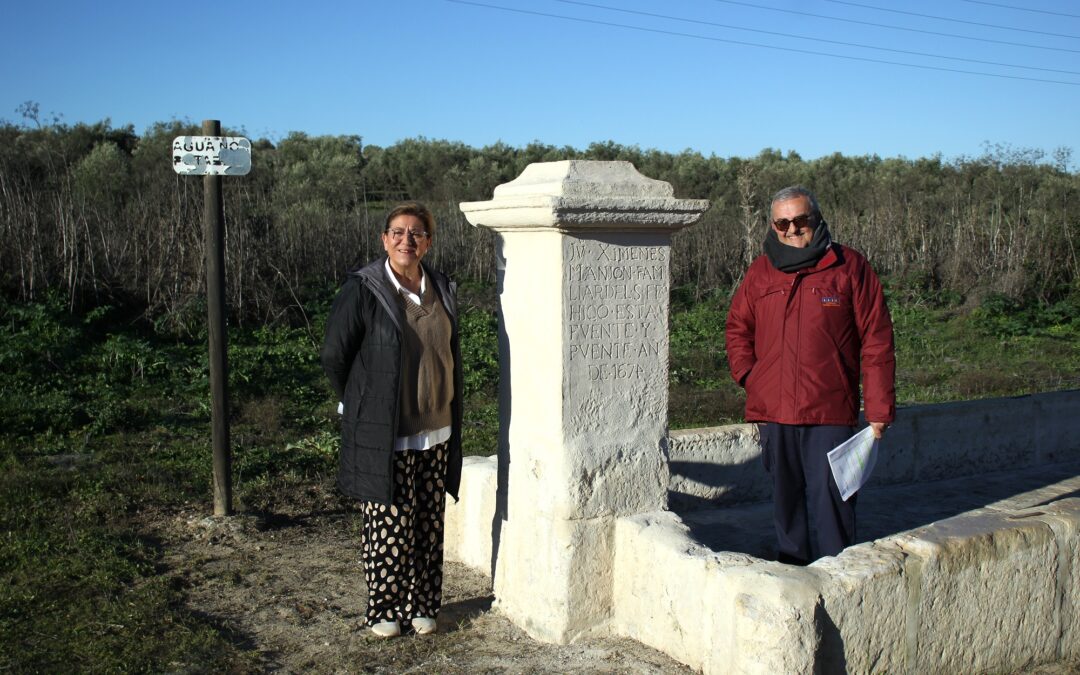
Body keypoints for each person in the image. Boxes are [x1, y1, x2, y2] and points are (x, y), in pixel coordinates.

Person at [725, 185, 895, 565]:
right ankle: (793, 575)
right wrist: (751, 377)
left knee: (834, 504)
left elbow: (877, 339)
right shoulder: (760, 271)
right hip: (774, 411)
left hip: (830, 411)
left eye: (800, 220)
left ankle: (840, 579)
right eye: (783, 222)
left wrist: (879, 408)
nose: (792, 229)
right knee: (786, 507)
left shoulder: (850, 267)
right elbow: (737, 328)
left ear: (816, 219)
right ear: (773, 225)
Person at [321, 201, 463, 637]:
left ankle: (422, 603)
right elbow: (335, 355)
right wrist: (361, 401)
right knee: (389, 521)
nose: (407, 240)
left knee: (428, 520)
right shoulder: (365, 288)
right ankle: (384, 608)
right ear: (384, 240)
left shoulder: (440, 286)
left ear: (428, 242)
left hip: (437, 427)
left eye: (416, 233)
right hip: (390, 430)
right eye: (398, 232)